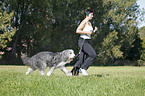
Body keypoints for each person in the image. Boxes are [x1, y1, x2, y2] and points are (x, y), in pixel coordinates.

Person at [71, 9, 98, 76]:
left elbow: (89, 33)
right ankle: (83, 68)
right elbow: (77, 30)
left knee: (82, 59)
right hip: (83, 41)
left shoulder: (89, 23)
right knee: (93, 54)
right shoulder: (84, 22)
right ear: (87, 15)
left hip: (87, 41)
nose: (92, 16)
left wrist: (94, 31)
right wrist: (87, 32)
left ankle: (73, 74)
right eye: (91, 15)